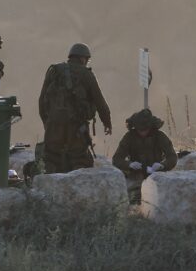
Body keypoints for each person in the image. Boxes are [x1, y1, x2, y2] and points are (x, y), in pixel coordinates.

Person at [38, 42, 112, 173]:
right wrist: (107, 123)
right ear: (83, 58)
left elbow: (42, 101)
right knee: (80, 160)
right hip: (76, 127)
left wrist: (47, 122)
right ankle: (75, 192)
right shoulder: (86, 74)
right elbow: (100, 102)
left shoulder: (54, 71)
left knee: (52, 159)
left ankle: (49, 191)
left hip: (54, 125)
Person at [113, 108, 177, 203]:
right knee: (131, 197)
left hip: (156, 176)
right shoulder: (129, 137)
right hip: (135, 177)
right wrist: (129, 164)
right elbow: (117, 159)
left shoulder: (159, 136)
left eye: (145, 129)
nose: (143, 132)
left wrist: (162, 165)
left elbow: (172, 157)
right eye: (140, 130)